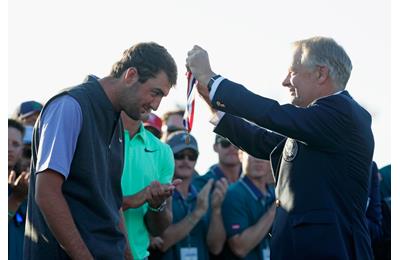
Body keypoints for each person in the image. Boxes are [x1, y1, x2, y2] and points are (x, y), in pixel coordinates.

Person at [186, 36, 374, 259]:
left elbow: (272, 114)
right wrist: (213, 104)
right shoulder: (318, 125)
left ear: (321, 74)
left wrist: (211, 79)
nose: (285, 82)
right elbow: (263, 142)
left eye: (292, 71)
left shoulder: (342, 114)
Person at [24, 42, 177, 259]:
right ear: (130, 75)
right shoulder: (71, 106)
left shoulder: (116, 121)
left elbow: (111, 204)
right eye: (155, 93)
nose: (156, 105)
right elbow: (47, 193)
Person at [155, 131, 227, 259]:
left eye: (191, 156)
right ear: (168, 157)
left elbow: (216, 248)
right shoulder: (160, 193)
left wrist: (216, 210)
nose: (186, 161)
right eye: (179, 155)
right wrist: (198, 212)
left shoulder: (202, 195)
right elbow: (163, 242)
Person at [120, 111, 180, 260]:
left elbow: (157, 229)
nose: (156, 104)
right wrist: (130, 200)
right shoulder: (99, 136)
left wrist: (156, 204)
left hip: (140, 256)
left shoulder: (163, 151)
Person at [222, 153, 276, 259]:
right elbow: (239, 247)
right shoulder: (234, 193)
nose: (258, 160)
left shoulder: (273, 193)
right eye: (252, 153)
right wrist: (272, 211)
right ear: (240, 155)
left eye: (262, 152)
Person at [8, 119, 30, 260]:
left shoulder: (24, 187)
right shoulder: (19, 193)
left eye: (15, 144)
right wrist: (15, 200)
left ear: (21, 150)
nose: (9, 149)